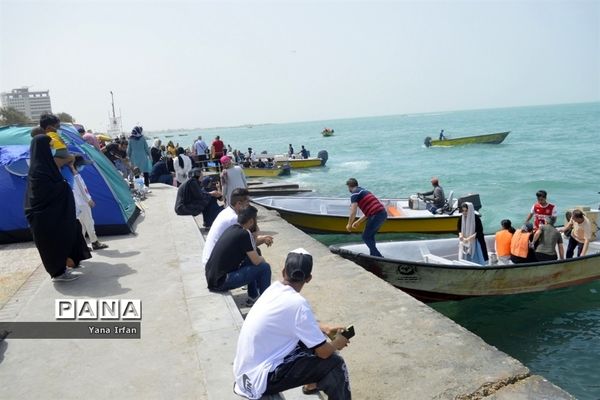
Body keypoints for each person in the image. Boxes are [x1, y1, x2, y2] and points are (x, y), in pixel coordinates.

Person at [233, 248, 352, 400]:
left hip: (245, 371)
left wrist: (325, 328)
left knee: (309, 341)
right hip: (260, 379)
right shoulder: (298, 304)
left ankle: (312, 383)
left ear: (283, 272)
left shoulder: (274, 289)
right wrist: (337, 342)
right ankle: (317, 382)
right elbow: (324, 352)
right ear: (309, 278)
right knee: (335, 363)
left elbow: (296, 323)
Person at [24, 135, 91, 282]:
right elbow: (43, 192)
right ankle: (59, 273)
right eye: (49, 146)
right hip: (44, 216)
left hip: (53, 214)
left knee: (71, 231)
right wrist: (63, 186)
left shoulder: (46, 165)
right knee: (53, 244)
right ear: (42, 149)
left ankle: (68, 264)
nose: (52, 149)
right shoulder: (39, 169)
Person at [205, 206, 272, 305]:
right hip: (221, 282)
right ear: (250, 221)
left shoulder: (233, 228)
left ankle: (253, 296)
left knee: (252, 255)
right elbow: (257, 261)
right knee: (265, 268)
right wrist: (263, 259)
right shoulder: (244, 234)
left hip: (212, 278)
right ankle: (266, 305)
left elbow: (252, 250)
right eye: (255, 219)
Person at [71, 156, 109, 250]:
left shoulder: (71, 175)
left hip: (77, 204)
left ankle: (82, 245)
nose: (83, 167)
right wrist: (89, 199)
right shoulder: (76, 176)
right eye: (82, 165)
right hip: (82, 203)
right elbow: (82, 189)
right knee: (89, 223)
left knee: (82, 225)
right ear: (77, 165)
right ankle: (94, 242)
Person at [345, 178, 387, 257]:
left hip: (376, 214)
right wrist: (358, 222)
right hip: (382, 213)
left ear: (349, 186)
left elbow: (353, 211)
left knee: (366, 236)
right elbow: (369, 212)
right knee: (370, 235)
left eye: (348, 187)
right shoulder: (364, 191)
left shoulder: (354, 194)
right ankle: (373, 255)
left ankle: (378, 256)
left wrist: (349, 224)